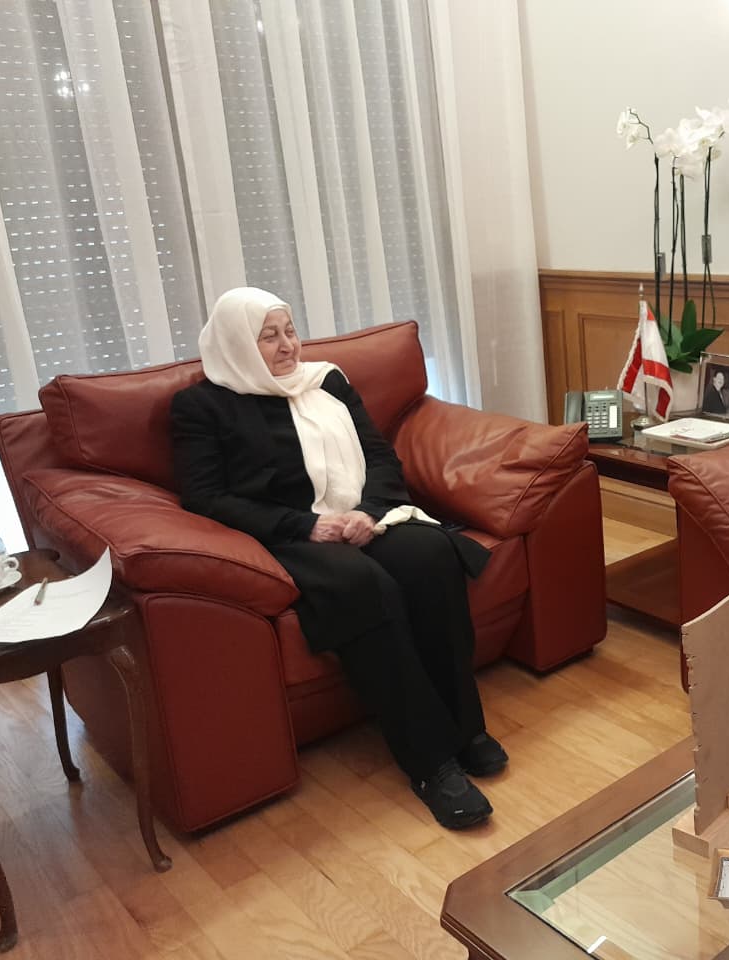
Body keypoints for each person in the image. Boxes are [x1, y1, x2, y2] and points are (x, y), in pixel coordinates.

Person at [170, 287, 506, 830]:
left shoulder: (327, 381)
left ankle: (466, 729)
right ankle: (431, 764)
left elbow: (378, 455)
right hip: (290, 534)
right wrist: (307, 524)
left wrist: (369, 512)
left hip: (364, 516)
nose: (288, 345)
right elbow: (206, 497)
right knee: (363, 586)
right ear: (237, 343)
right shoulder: (203, 407)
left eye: (290, 330)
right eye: (268, 336)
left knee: (429, 556)